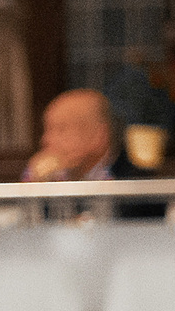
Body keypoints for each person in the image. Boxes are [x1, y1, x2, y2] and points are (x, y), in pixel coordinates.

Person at [22, 89, 166, 222]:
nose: (46, 140)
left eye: (61, 129)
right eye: (47, 129)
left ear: (99, 135)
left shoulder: (141, 188)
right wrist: (39, 189)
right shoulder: (48, 178)